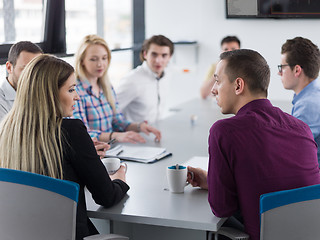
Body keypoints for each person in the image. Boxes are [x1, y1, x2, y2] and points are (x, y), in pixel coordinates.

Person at [187, 49, 320, 240]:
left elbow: (222, 207)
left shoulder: (224, 131)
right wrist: (213, 181)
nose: (213, 89)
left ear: (238, 85)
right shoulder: (301, 128)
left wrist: (217, 186)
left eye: (218, 80)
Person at [0, 54, 129, 240]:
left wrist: (85, 154)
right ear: (49, 94)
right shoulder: (71, 131)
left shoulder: (7, 131)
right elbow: (106, 197)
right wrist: (119, 180)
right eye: (71, 90)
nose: (77, 96)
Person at [73, 34, 161, 143]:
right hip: (92, 152)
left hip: (112, 149)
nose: (100, 64)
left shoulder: (106, 87)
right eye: (93, 59)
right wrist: (115, 135)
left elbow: (117, 122)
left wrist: (139, 126)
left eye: (104, 58)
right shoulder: (75, 90)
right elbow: (81, 133)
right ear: (82, 61)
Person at [279, 37, 320, 165]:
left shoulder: (307, 104)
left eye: (281, 67)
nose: (279, 73)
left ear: (297, 70)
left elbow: (290, 150)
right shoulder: (311, 98)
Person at [114, 35, 174, 123]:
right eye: (154, 54)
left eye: (164, 55)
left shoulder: (167, 75)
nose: (158, 60)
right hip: (133, 134)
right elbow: (111, 112)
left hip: (155, 133)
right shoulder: (132, 80)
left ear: (170, 57)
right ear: (145, 54)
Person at [0, 41, 43, 120]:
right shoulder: (1, 102)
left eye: (37, 70)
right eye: (26, 69)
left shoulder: (40, 94)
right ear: (9, 68)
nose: (32, 75)